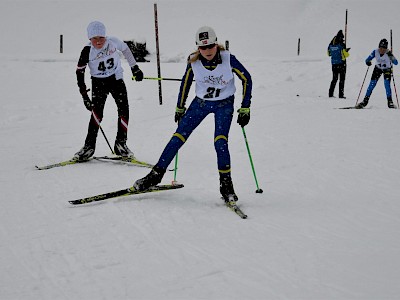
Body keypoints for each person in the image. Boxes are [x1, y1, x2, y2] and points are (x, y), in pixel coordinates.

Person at [133, 26, 252, 204]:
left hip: (224, 105)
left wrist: (245, 107)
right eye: (203, 48)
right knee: (177, 137)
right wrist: (180, 107)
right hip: (201, 104)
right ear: (198, 48)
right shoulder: (193, 61)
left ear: (216, 44)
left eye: (210, 46)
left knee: (220, 142)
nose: (207, 51)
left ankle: (226, 186)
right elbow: (186, 83)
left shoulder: (228, 59)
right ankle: (155, 175)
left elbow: (247, 79)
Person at [74, 21, 144, 160]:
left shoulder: (113, 42)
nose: (99, 42)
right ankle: (89, 147)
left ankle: (121, 144)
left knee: (124, 110)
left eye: (101, 37)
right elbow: (79, 72)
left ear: (106, 36)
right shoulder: (87, 51)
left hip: (116, 78)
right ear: (89, 38)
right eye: (95, 38)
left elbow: (126, 50)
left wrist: (134, 67)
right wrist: (84, 96)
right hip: (98, 83)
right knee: (96, 114)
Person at [356, 38, 398, 109]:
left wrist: (391, 57)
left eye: (384, 49)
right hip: (378, 68)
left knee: (387, 85)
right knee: (371, 84)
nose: (382, 50)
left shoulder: (388, 53)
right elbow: (367, 59)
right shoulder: (375, 52)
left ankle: (390, 102)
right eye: (381, 48)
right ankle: (365, 101)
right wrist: (368, 62)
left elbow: (396, 62)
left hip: (387, 69)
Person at [327, 30, 350, 98]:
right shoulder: (342, 45)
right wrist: (346, 51)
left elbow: (329, 54)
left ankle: (330, 94)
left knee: (334, 79)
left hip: (334, 64)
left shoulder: (331, 44)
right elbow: (344, 55)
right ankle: (341, 95)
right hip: (342, 64)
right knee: (342, 79)